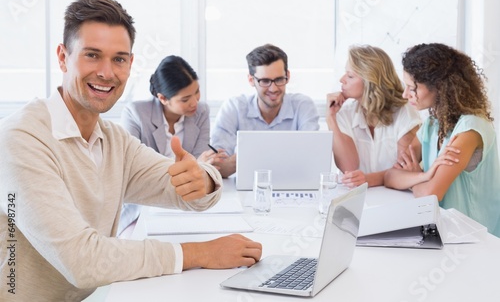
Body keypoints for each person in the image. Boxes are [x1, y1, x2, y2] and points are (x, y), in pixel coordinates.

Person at [0, 0, 262, 301]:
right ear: (62, 57)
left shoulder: (112, 140)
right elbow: (82, 261)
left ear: (130, 64)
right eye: (92, 55)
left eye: (119, 59)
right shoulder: (20, 138)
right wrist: (200, 253)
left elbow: (179, 189)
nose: (107, 72)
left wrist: (202, 180)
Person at [384, 43, 500, 237]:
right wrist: (423, 176)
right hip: (444, 232)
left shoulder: (470, 129)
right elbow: (391, 176)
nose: (405, 95)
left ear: (439, 87)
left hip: (476, 239)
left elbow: (431, 194)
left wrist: (414, 179)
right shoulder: (432, 125)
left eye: (412, 88)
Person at [118, 55, 227, 233]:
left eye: (196, 92)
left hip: (187, 204)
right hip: (143, 207)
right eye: (185, 99)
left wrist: (201, 168)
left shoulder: (201, 112)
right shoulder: (135, 113)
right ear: (162, 98)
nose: (195, 102)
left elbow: (200, 163)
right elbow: (132, 170)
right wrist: (194, 167)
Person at [211, 43, 320, 178]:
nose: (273, 88)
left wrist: (250, 157)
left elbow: (312, 160)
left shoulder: (303, 106)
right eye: (265, 81)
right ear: (251, 80)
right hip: (244, 190)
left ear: (288, 76)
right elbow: (216, 167)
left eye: (279, 79)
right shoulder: (234, 107)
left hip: (292, 187)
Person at [326, 45, 421, 187]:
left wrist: (368, 179)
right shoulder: (344, 114)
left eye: (350, 76)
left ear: (370, 81)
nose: (342, 79)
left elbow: (405, 171)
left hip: (396, 197)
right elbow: (349, 169)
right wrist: (330, 119)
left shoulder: (405, 112)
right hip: (360, 198)